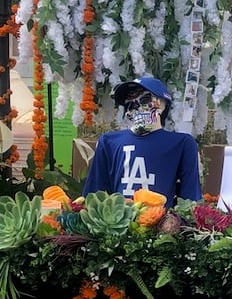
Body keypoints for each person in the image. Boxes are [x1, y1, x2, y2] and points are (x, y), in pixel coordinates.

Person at [82, 76, 202, 206]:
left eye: (145, 100)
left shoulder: (182, 144)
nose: (137, 108)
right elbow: (94, 195)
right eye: (130, 104)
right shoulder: (108, 142)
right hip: (118, 222)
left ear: (162, 104)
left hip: (162, 221)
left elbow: (189, 199)